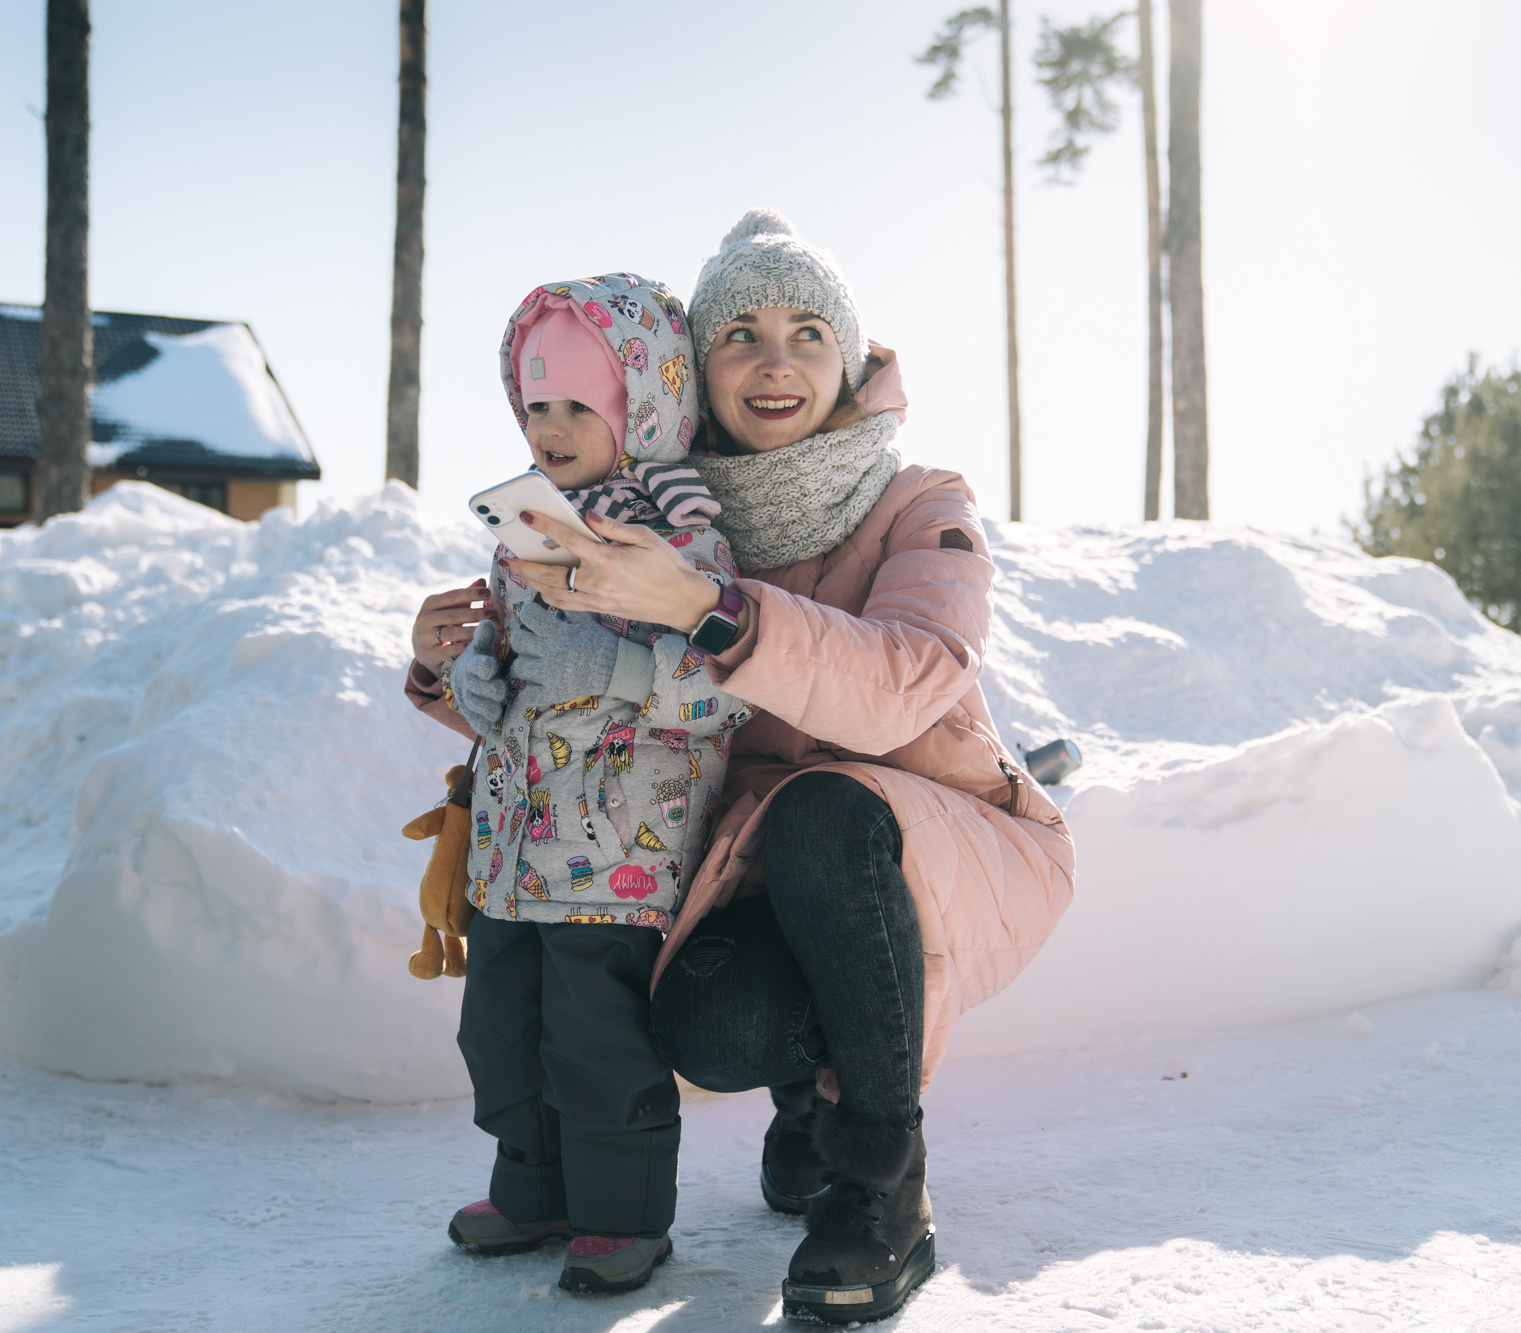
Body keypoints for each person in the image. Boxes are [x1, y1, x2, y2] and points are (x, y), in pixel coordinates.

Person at [412, 210, 1074, 1325]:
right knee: (694, 1020)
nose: (774, 360)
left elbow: (906, 679)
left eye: (807, 330)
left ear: (850, 359)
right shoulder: (653, 510)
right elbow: (579, 714)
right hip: (752, 866)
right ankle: (806, 1111)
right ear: (692, 374)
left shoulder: (921, 505)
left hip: (930, 846)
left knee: (825, 809)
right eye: (740, 335)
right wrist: (448, 667)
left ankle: (878, 1182)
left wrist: (706, 608)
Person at [410, 273, 753, 1296]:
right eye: (536, 405)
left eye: (578, 406)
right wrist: (476, 671)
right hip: (515, 851)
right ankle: (533, 1184)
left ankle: (620, 1215)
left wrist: (612, 670)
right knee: (499, 1027)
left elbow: (726, 688)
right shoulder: (526, 527)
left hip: (617, 849)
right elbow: (516, 681)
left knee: (595, 1038)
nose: (550, 428)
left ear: (640, 407)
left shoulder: (679, 536)